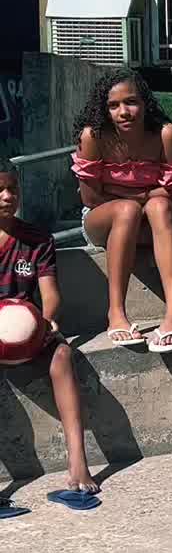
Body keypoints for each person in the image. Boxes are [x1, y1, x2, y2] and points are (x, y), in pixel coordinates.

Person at [0, 160, 98, 503]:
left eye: (13, 189)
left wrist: (46, 321)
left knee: (63, 354)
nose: (7, 196)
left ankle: (78, 464)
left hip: (30, 331)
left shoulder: (37, 239)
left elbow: (51, 294)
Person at [72, 68, 172, 352]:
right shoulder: (93, 137)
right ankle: (116, 313)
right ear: (105, 109)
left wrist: (126, 192)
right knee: (127, 210)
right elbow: (91, 198)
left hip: (153, 220)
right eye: (113, 105)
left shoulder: (165, 134)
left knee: (160, 206)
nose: (123, 112)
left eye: (131, 102)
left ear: (145, 103)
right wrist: (145, 194)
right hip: (103, 220)